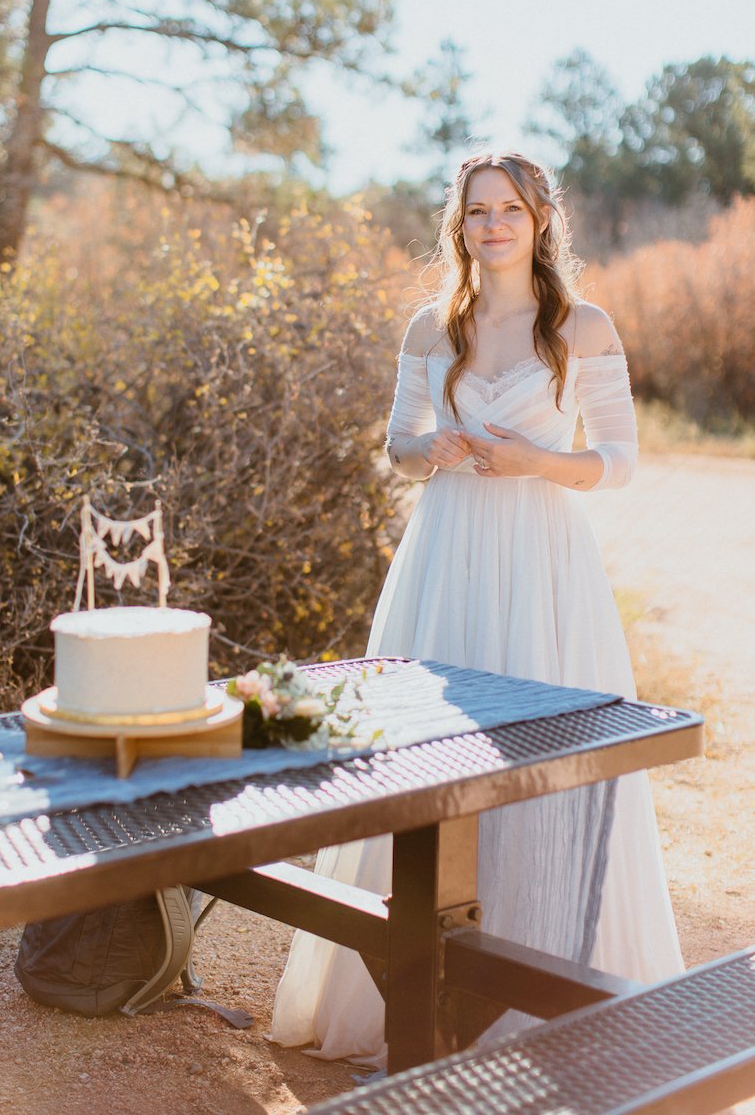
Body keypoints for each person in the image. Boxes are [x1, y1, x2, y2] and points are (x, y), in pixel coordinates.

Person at [270, 150, 684, 1068]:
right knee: (431, 764)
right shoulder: (432, 325)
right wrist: (437, 447)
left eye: (508, 209)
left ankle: (546, 993)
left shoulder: (582, 326)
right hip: (447, 553)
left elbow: (620, 458)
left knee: (541, 763)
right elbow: (397, 448)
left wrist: (542, 463)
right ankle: (416, 990)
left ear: (541, 220)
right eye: (476, 211)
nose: (491, 225)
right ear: (458, 225)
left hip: (542, 561)